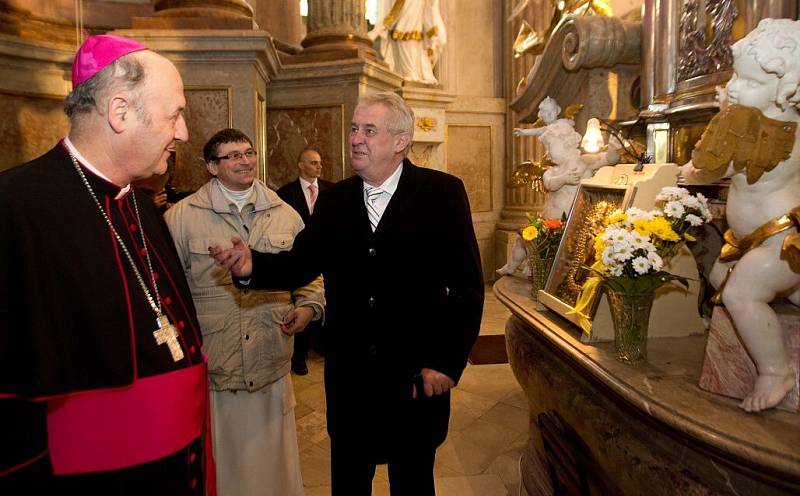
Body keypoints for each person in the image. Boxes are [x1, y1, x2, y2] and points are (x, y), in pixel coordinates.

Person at [211, 91, 484, 495]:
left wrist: (445, 363)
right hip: (351, 378)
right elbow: (301, 263)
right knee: (350, 482)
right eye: (354, 128)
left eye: (368, 130)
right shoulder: (335, 200)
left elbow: (467, 287)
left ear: (399, 141)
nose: (355, 138)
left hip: (414, 374)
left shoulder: (441, 193)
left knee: (412, 480)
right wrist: (253, 266)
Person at [0, 35, 208, 494]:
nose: (184, 132)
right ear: (119, 112)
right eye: (175, 113)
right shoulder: (15, 209)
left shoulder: (145, 208)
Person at [165, 128, 324, 495]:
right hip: (217, 363)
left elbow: (312, 277)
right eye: (232, 155)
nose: (244, 160)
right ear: (211, 167)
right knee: (225, 467)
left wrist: (308, 308)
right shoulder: (181, 218)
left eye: (248, 153)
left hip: (270, 356)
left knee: (273, 468)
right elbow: (170, 293)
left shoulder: (286, 214)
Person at [682, 18, 800, 413]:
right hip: (755, 241)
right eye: (736, 76)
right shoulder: (763, 122)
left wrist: (694, 169)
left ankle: (775, 372)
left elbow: (715, 168)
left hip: (783, 240)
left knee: (741, 293)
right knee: (720, 275)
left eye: (747, 83)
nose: (733, 87)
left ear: (787, 90)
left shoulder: (779, 133)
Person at [277, 147, 335, 375]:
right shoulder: (285, 194)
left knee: (326, 301)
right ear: (301, 165)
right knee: (302, 302)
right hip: (300, 255)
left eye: (320, 162)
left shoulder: (333, 190)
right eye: (313, 163)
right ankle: (298, 357)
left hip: (330, 256)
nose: (318, 166)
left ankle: (324, 345)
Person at [514, 96, 619, 219]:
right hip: (550, 224)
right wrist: (563, 179)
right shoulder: (552, 171)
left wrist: (613, 148)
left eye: (551, 145)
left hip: (575, 223)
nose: (548, 151)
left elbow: (609, 159)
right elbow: (549, 184)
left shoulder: (583, 161)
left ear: (566, 143)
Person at [369, 0, 447, 84]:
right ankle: (409, 73)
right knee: (404, 32)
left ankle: (413, 73)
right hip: (405, 8)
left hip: (417, 9)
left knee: (410, 34)